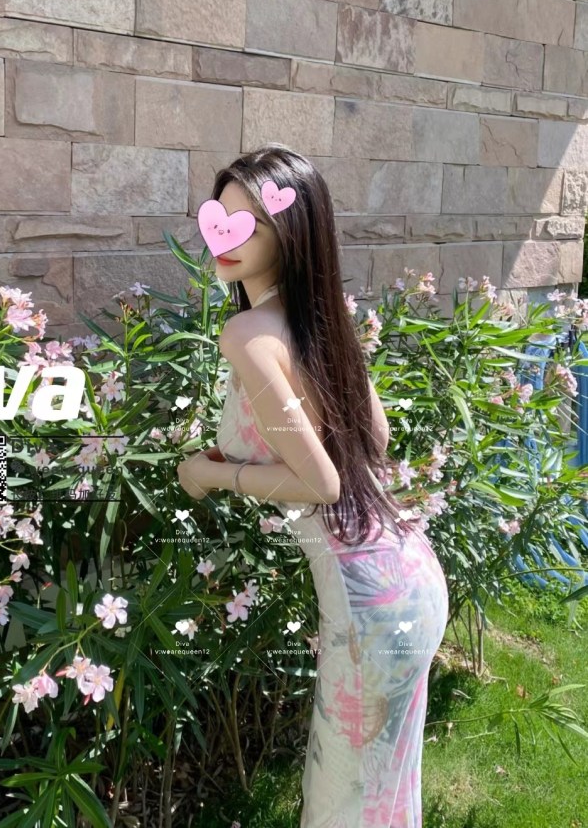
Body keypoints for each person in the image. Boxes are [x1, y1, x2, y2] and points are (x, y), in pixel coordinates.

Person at [177, 144, 449, 828]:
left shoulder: (249, 334)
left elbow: (321, 482)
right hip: (408, 573)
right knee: (379, 791)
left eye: (252, 224)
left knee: (343, 799)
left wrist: (210, 474)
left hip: (368, 601)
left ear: (291, 236)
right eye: (221, 218)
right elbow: (376, 438)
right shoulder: (319, 321)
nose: (227, 237)